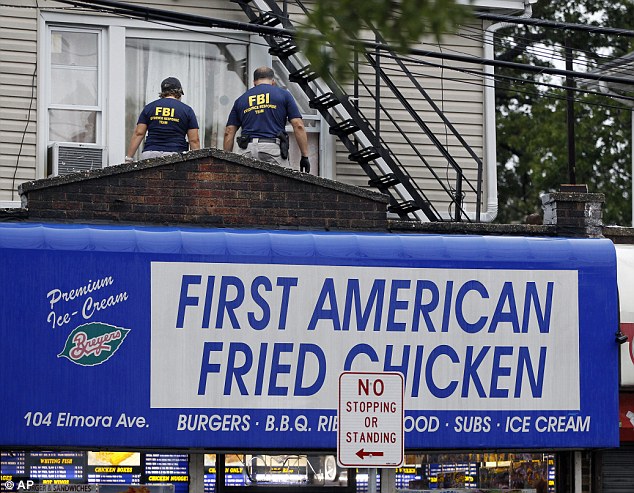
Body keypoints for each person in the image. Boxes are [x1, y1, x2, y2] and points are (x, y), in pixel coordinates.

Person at [224, 66, 310, 172]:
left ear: (254, 82)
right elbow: (298, 125)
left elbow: (229, 132)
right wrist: (304, 156)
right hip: (272, 149)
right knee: (283, 184)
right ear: (273, 81)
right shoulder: (283, 95)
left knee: (246, 186)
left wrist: (226, 161)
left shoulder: (241, 100)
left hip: (246, 150)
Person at [125, 77, 200, 162]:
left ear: (163, 92)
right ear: (178, 92)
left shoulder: (149, 108)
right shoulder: (187, 110)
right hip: (176, 155)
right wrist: (197, 163)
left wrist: (129, 158)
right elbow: (194, 140)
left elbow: (139, 133)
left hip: (150, 154)